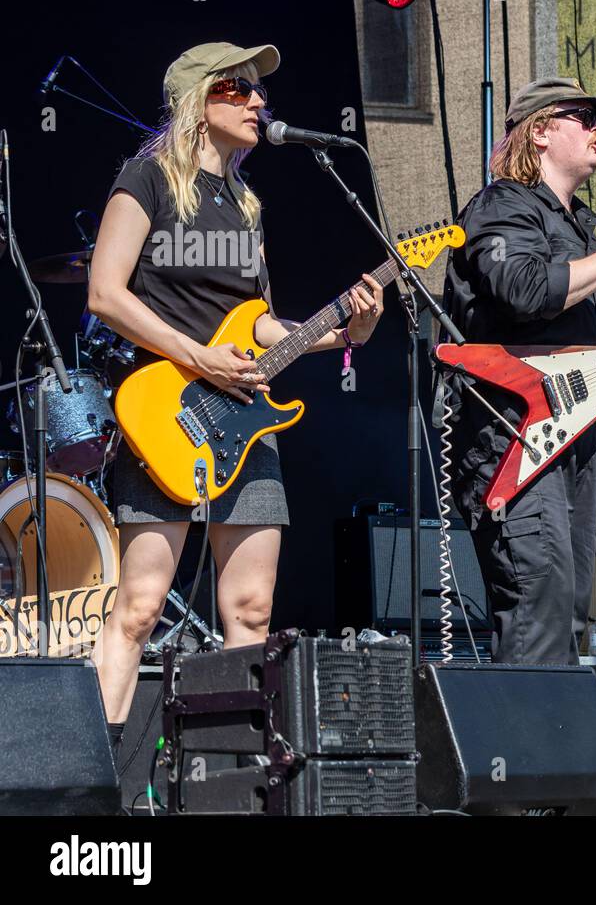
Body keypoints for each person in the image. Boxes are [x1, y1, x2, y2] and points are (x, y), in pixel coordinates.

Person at [87, 42, 385, 757]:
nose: (260, 103)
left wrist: (347, 330)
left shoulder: (245, 204)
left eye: (260, 93)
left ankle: (234, 779)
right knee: (140, 606)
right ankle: (95, 777)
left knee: (250, 610)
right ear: (199, 99)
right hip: (167, 413)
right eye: (241, 90)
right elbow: (104, 292)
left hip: (244, 428)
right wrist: (196, 358)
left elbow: (257, 323)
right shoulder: (148, 179)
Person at [442, 77, 596, 665]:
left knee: (569, 605)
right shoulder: (502, 204)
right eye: (584, 116)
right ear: (541, 131)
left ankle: (546, 753)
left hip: (571, 438)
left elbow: (590, 341)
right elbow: (522, 291)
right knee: (536, 603)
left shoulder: (580, 227)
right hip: (513, 436)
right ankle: (521, 756)